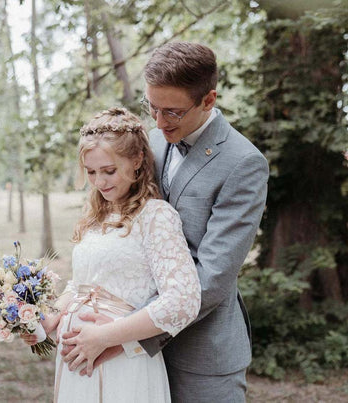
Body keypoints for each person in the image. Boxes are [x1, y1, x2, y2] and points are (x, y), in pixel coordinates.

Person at [61, 42, 269, 402]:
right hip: (128, 358)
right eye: (151, 108)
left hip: (200, 354)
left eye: (172, 112)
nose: (158, 122)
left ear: (208, 100)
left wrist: (126, 336)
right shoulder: (150, 142)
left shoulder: (243, 163)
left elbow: (214, 276)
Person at [22, 107, 201, 403]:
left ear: (137, 160)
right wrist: (49, 319)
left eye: (109, 171)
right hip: (76, 362)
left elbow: (183, 300)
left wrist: (106, 336)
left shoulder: (156, 216)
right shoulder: (95, 216)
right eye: (91, 172)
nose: (100, 182)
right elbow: (80, 285)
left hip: (122, 361)